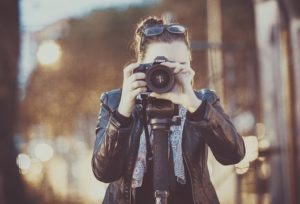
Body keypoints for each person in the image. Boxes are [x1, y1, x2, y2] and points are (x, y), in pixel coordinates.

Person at [91, 16, 245, 204]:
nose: (168, 75)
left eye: (179, 66)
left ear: (190, 65)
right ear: (140, 65)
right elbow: (103, 172)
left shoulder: (203, 102)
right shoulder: (114, 102)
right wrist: (123, 113)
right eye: (160, 66)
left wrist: (194, 106)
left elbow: (234, 155)